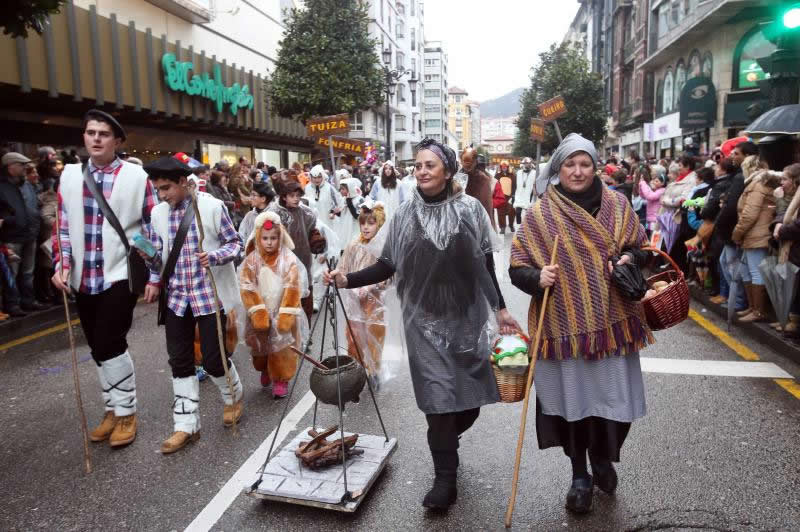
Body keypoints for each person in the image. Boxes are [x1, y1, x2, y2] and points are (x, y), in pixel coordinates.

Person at [325, 138, 519, 511]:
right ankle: (445, 478)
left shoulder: (471, 211)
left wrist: (501, 309)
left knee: (469, 403)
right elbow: (387, 265)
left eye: (430, 165)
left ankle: (446, 437)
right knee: (438, 402)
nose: (422, 171)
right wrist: (346, 279)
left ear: (447, 171)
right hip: (423, 323)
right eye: (417, 165)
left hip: (466, 318)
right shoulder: (404, 215)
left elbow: (486, 265)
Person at [509, 133, 654, 515]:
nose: (577, 171)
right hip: (563, 326)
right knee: (574, 406)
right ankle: (579, 475)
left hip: (614, 322)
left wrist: (629, 259)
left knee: (614, 402)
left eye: (585, 163)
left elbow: (642, 249)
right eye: (570, 164)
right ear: (558, 168)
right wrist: (536, 278)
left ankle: (604, 457)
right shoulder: (541, 214)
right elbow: (517, 265)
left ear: (595, 167)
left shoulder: (619, 205)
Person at [51, 109, 159, 448]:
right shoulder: (69, 176)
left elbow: (152, 226)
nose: (96, 138)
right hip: (83, 277)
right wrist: (62, 263)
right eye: (90, 132)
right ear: (84, 137)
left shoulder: (137, 177)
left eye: (103, 134)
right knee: (97, 346)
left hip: (119, 275)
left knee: (111, 342)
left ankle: (127, 412)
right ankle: (112, 408)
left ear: (117, 141)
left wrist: (151, 266)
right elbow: (64, 226)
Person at [140, 156, 244, 453]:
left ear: (185, 183)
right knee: (180, 361)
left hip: (208, 295)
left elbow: (235, 243)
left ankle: (233, 397)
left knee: (213, 359)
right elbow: (161, 259)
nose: (163, 195)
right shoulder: (158, 213)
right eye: (158, 190)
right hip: (176, 298)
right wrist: (149, 264)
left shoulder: (211, 207)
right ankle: (186, 426)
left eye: (167, 188)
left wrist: (214, 257)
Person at [338, 200, 388, 390]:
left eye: (371, 223)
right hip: (354, 299)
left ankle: (374, 370)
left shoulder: (383, 247)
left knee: (374, 336)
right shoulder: (353, 245)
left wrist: (372, 285)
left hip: (374, 301)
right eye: (363, 223)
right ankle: (358, 371)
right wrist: (337, 277)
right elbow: (343, 267)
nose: (366, 227)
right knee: (354, 337)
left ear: (379, 224)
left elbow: (391, 275)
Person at [269, 175, 326, 321]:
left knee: (304, 295)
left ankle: (305, 335)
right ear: (283, 196)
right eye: (292, 196)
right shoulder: (273, 213)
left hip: (303, 259)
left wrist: (316, 239)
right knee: (284, 299)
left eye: (298, 196)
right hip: (281, 263)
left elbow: (313, 230)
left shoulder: (306, 213)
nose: (296, 199)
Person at [731, 164, 782, 322]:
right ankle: (753, 308)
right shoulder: (764, 184)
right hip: (759, 232)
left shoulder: (756, 185)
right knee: (749, 270)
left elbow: (749, 214)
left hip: (755, 234)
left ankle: (758, 310)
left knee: (755, 272)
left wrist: (737, 234)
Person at [0, 152, 47, 315]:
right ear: (10, 167)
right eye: (21, 166)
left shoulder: (25, 185)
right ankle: (12, 304)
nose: (24, 169)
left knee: (28, 272)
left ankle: (28, 300)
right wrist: (9, 219)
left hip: (30, 234)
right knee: (11, 273)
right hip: (12, 236)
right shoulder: (2, 187)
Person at [772, 163, 800, 336]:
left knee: (795, 288)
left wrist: (781, 229)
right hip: (791, 248)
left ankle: (793, 323)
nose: (781, 182)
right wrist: (779, 224)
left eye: (785, 178)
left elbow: (796, 225)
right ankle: (788, 319)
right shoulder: (794, 194)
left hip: (795, 246)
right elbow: (785, 216)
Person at [459, 148, 495, 230]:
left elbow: (486, 207)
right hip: (461, 221)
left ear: (475, 162)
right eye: (465, 162)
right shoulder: (456, 178)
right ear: (461, 160)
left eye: (470, 163)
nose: (467, 166)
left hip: (478, 222)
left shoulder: (482, 179)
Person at [336, 176, 364, 247]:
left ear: (350, 189)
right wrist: (337, 212)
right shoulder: (344, 199)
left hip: (354, 228)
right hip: (346, 228)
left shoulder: (359, 200)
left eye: (343, 189)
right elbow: (343, 214)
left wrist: (349, 202)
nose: (341, 191)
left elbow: (357, 216)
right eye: (340, 189)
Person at [639, 170, 666, 235]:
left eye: (657, 181)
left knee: (653, 238)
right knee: (650, 236)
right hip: (650, 218)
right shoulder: (654, 190)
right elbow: (643, 195)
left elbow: (649, 196)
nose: (654, 182)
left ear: (662, 183)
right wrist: (640, 185)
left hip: (655, 219)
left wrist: (643, 183)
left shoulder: (662, 191)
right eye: (654, 180)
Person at [494, 161, 516, 234]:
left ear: (507, 167)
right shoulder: (497, 176)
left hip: (510, 197)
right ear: (500, 167)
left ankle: (511, 225)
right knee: (500, 213)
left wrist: (513, 195)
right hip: (500, 197)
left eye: (505, 167)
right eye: (502, 167)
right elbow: (494, 186)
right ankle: (502, 227)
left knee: (512, 212)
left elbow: (515, 186)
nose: (504, 168)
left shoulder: (512, 175)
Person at [514, 157, 537, 224]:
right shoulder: (519, 173)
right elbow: (516, 184)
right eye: (525, 163)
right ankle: (518, 226)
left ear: (531, 164)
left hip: (529, 196)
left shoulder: (534, 173)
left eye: (528, 163)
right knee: (518, 213)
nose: (526, 165)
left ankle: (527, 227)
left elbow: (535, 183)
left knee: (528, 215)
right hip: (519, 196)